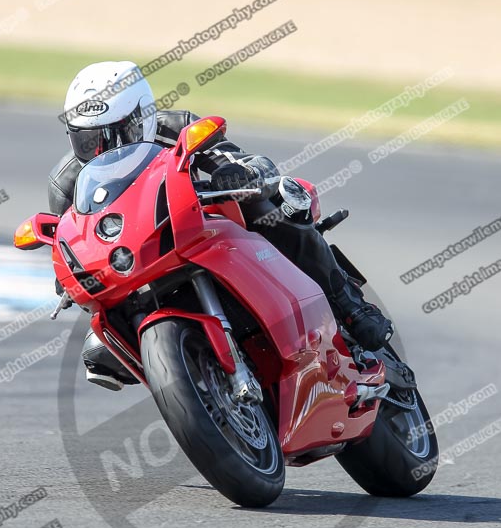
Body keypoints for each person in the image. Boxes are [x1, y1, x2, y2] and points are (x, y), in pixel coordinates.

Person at [49, 61, 393, 391]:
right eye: (87, 139)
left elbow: (250, 164)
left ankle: (348, 305)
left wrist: (242, 172)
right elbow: (72, 242)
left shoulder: (178, 127)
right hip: (138, 263)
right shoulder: (66, 184)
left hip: (199, 229)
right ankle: (192, 381)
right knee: (98, 347)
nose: (102, 150)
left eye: (117, 135)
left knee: (275, 202)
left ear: (144, 117)